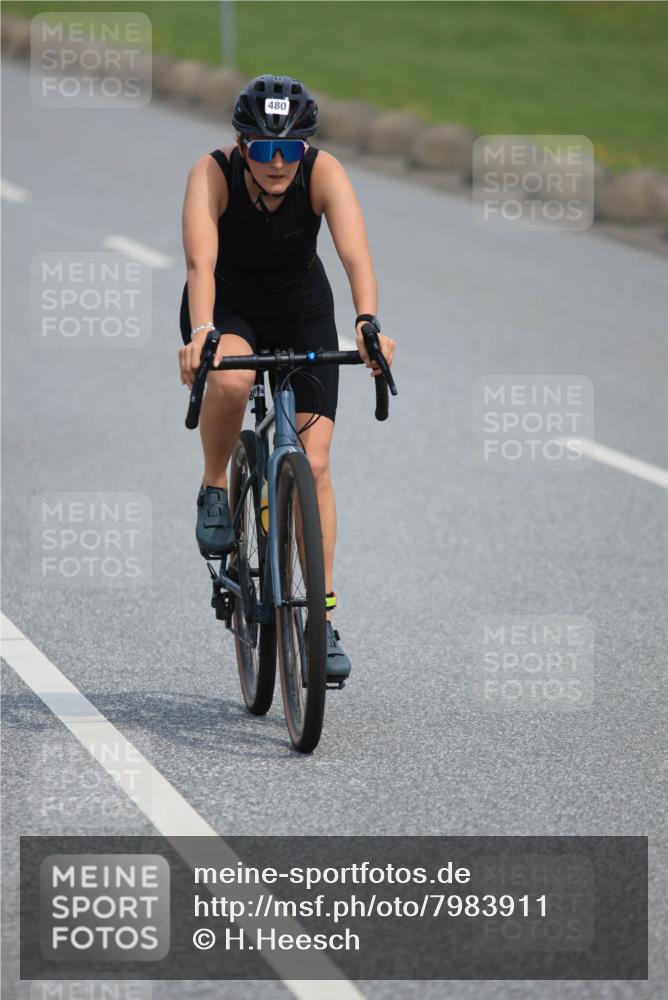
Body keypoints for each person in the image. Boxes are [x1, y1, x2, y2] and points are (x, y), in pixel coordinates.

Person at [178, 74, 395, 681]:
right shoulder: (211, 174)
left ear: (305, 150)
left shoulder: (324, 173)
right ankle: (216, 483)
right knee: (230, 381)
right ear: (242, 144)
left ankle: (319, 620)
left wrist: (368, 323)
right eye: (265, 149)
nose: (278, 163)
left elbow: (357, 256)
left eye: (290, 150)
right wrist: (202, 334)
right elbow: (201, 261)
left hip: (301, 305)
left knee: (317, 463)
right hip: (229, 304)